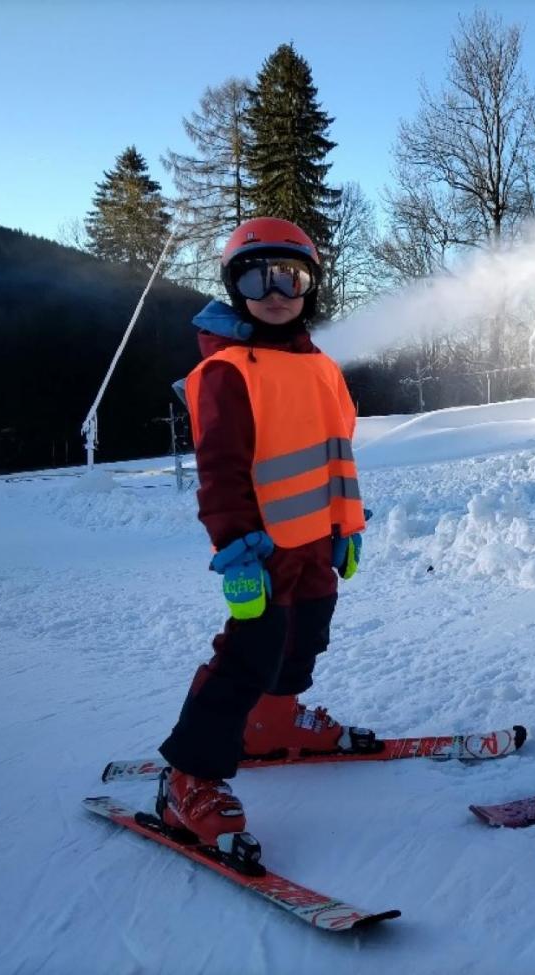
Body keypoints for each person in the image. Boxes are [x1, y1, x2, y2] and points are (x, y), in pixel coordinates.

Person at [155, 217, 371, 853]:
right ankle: (187, 774)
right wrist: (237, 547)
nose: (275, 289)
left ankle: (272, 722)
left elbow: (338, 453)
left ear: (311, 287)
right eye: (256, 275)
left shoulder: (321, 367)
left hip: (313, 545)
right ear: (233, 284)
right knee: (253, 647)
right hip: (262, 547)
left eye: (291, 275)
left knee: (307, 632)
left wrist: (345, 527)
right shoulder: (228, 371)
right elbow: (220, 470)